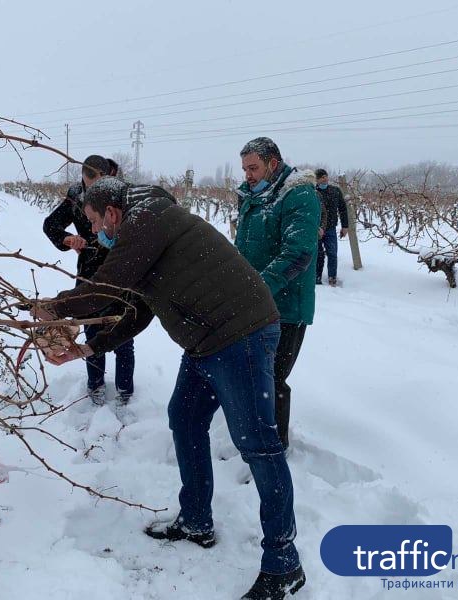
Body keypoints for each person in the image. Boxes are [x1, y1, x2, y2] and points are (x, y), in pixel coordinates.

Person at [34, 177, 306, 599]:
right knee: (185, 418)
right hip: (205, 340)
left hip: (241, 334)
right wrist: (87, 349)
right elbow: (136, 311)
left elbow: (104, 289)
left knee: (258, 445)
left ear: (110, 212)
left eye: (92, 222)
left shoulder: (147, 220)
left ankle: (284, 564)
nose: (92, 233)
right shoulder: (142, 230)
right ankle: (196, 520)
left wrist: (51, 309)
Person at [235, 138, 321, 450]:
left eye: (253, 167)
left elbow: (298, 253)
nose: (248, 174)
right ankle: (255, 439)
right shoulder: (253, 197)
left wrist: (258, 287)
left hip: (286, 307)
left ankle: (274, 447)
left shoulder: (298, 195)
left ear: (273, 164)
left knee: (272, 380)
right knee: (254, 376)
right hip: (254, 302)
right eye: (245, 168)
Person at [42, 155, 135, 404]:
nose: (91, 192)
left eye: (97, 185)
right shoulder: (75, 194)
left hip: (120, 269)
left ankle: (125, 390)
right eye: (87, 186)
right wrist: (69, 239)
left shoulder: (121, 194)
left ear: (108, 178)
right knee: (92, 328)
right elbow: (50, 225)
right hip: (90, 270)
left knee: (124, 329)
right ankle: (95, 385)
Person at [314, 168, 348, 286]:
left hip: (331, 228)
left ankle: (332, 277)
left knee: (332, 253)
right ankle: (316, 277)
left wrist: (345, 226)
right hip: (317, 229)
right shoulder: (313, 192)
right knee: (318, 254)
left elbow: (343, 209)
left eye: (325, 177)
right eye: (321, 177)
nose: (324, 179)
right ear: (316, 180)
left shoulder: (335, 191)